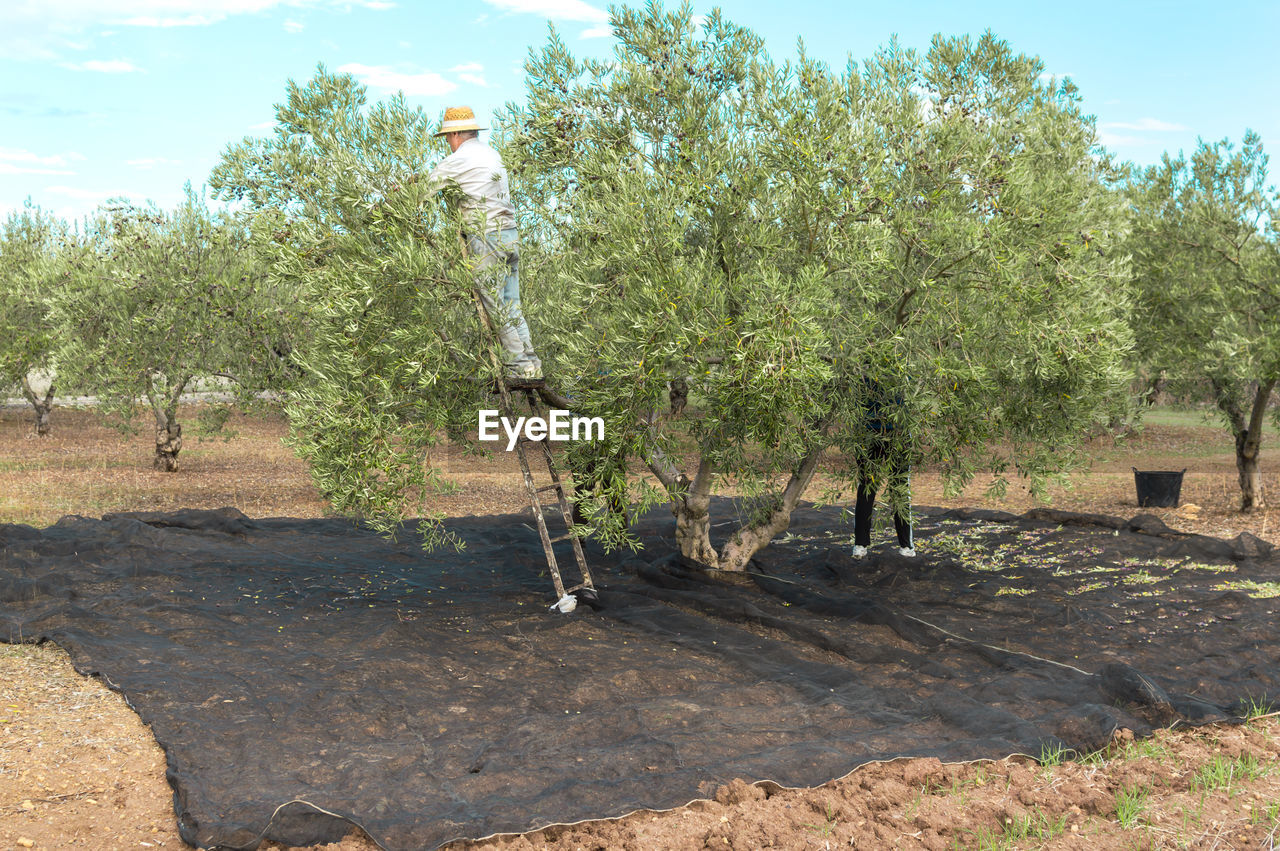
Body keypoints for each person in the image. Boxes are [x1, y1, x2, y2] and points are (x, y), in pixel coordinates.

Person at [426, 105, 542, 379]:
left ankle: (519, 367)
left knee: (495, 305)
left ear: (455, 135)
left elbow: (423, 191)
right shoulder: (492, 153)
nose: (448, 144)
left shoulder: (459, 159)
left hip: (487, 236)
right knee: (513, 304)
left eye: (447, 138)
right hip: (510, 235)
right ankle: (532, 364)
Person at [851, 376, 915, 558]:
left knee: (894, 489)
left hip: (893, 430)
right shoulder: (868, 359)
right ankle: (862, 544)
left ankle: (904, 546)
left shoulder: (896, 352)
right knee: (871, 487)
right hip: (874, 431)